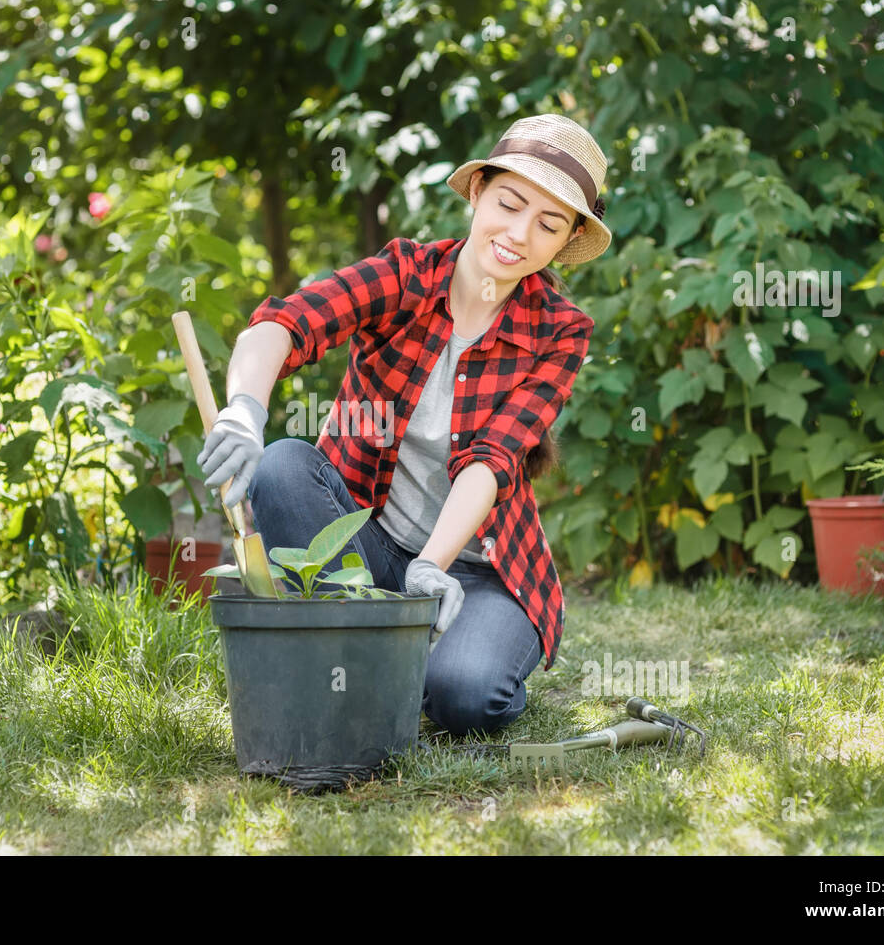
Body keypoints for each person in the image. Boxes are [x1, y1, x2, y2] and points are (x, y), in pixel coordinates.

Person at [196, 113, 613, 736]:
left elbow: (493, 460)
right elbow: (283, 325)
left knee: (465, 699)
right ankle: (370, 657)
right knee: (283, 466)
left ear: (566, 240)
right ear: (477, 192)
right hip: (370, 548)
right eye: (510, 203)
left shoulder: (561, 332)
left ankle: (395, 661)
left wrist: (433, 566)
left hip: (476, 570)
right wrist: (244, 410)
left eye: (548, 224)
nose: (519, 233)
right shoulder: (404, 275)